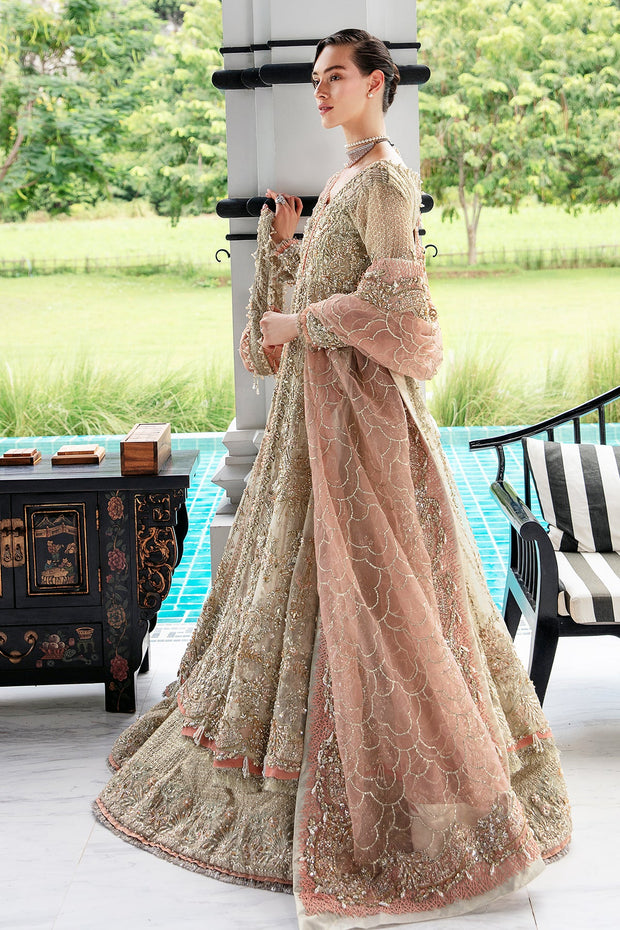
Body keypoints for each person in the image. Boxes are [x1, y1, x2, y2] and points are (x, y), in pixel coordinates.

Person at [95, 29, 571, 928]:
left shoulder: (388, 178)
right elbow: (319, 309)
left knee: (384, 603)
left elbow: (405, 311)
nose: (320, 89)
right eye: (313, 78)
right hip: (318, 426)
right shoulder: (351, 178)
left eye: (336, 76)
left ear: (377, 83)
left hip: (367, 432)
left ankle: (413, 791)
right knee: (308, 590)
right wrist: (289, 246)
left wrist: (298, 317)